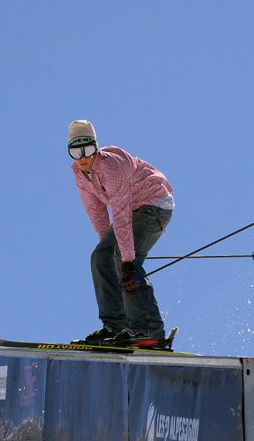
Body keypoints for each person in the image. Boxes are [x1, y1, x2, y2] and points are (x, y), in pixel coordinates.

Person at [68, 120, 174, 346]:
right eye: (76, 151)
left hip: (154, 205)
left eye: (87, 149)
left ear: (96, 147)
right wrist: (107, 251)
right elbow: (97, 214)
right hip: (132, 211)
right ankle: (115, 326)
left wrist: (126, 262)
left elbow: (121, 214)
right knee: (101, 257)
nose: (83, 157)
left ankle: (149, 330)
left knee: (125, 260)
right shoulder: (80, 174)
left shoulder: (111, 167)